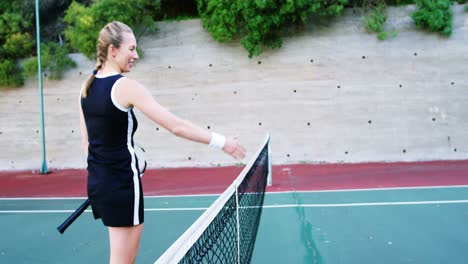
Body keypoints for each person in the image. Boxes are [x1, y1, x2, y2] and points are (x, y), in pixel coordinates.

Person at [79, 21, 246, 264]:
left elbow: (89, 145)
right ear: (113, 51)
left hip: (99, 184)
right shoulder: (125, 86)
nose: (136, 55)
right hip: (122, 185)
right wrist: (222, 142)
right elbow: (176, 126)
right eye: (131, 49)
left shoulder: (86, 87)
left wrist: (116, 167)